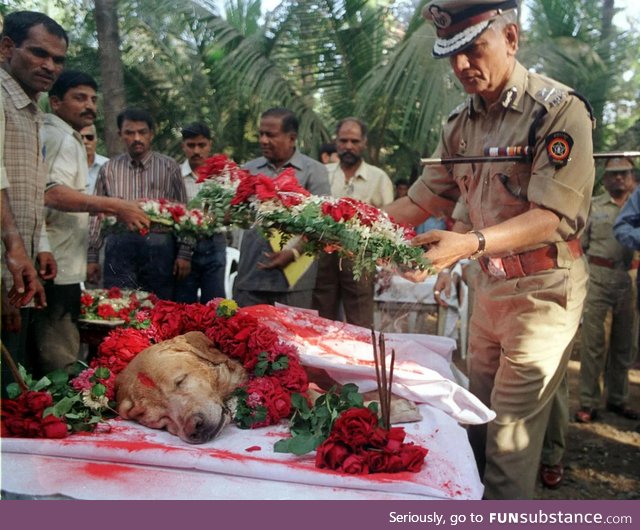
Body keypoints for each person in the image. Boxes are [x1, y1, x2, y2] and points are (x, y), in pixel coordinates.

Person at [385, 0, 594, 499]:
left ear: (511, 39)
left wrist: (468, 243)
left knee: (508, 442)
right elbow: (422, 199)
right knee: (475, 417)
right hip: (489, 288)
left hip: (543, 293)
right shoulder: (461, 124)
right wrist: (341, 222)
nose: (461, 67)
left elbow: (554, 216)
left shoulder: (557, 110)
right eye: (450, 55)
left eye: (474, 49)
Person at [33, 70, 148, 376]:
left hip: (62, 261)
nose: (90, 106)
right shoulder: (59, 137)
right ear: (55, 102)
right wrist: (115, 206)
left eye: (94, 99)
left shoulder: (63, 134)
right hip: (54, 265)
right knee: (59, 357)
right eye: (80, 98)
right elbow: (51, 194)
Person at [0, 11, 67, 390]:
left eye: (58, 59)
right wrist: (14, 249)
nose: (50, 66)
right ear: (7, 47)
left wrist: (35, 247)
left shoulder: (33, 111)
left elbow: (29, 190)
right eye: (39, 53)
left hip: (14, 272)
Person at [87, 108, 189, 300]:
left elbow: (185, 213)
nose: (136, 138)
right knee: (120, 306)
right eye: (129, 133)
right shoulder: (109, 169)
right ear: (120, 135)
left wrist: (184, 253)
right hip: (119, 247)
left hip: (160, 247)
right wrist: (92, 257)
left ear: (151, 133)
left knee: (160, 307)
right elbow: (97, 216)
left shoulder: (169, 168)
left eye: (142, 132)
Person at [234, 107, 330, 308]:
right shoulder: (248, 170)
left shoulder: (314, 172)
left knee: (292, 338)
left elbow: (322, 224)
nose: (263, 140)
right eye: (260, 134)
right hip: (251, 276)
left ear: (292, 138)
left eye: (270, 135)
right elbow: (237, 216)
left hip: (293, 279)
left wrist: (293, 253)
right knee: (244, 336)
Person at [312, 117, 394, 328]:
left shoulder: (379, 178)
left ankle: (362, 359)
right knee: (322, 319)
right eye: (344, 140)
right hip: (323, 256)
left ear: (364, 143)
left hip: (360, 258)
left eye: (354, 141)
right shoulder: (323, 172)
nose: (349, 146)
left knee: (360, 322)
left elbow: (389, 223)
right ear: (336, 142)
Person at [576, 157, 639, 424]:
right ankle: (588, 402)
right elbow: (581, 246)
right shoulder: (594, 205)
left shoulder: (636, 204)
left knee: (625, 343)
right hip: (598, 276)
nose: (618, 179)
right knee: (593, 344)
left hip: (629, 277)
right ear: (604, 179)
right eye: (612, 174)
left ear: (632, 177)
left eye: (623, 174)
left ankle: (618, 398)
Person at [174, 122, 227, 304]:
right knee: (184, 305)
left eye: (201, 145)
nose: (196, 151)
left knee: (215, 306)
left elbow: (229, 212)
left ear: (209, 145)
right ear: (183, 146)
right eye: (191, 145)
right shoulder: (176, 176)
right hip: (182, 248)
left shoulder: (222, 176)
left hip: (215, 243)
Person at [81, 123, 109, 194]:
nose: (85, 141)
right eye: (81, 137)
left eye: (89, 137)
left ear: (96, 139)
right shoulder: (67, 167)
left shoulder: (108, 166)